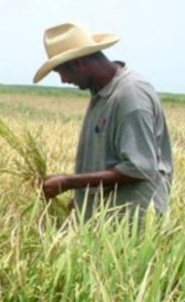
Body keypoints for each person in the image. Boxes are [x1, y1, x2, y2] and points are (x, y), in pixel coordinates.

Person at [34, 23, 173, 219]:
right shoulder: (101, 95)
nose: (63, 81)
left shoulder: (130, 95)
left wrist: (69, 182)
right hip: (107, 219)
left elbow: (138, 168)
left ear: (78, 63)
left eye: (60, 72)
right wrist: (83, 199)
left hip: (132, 223)